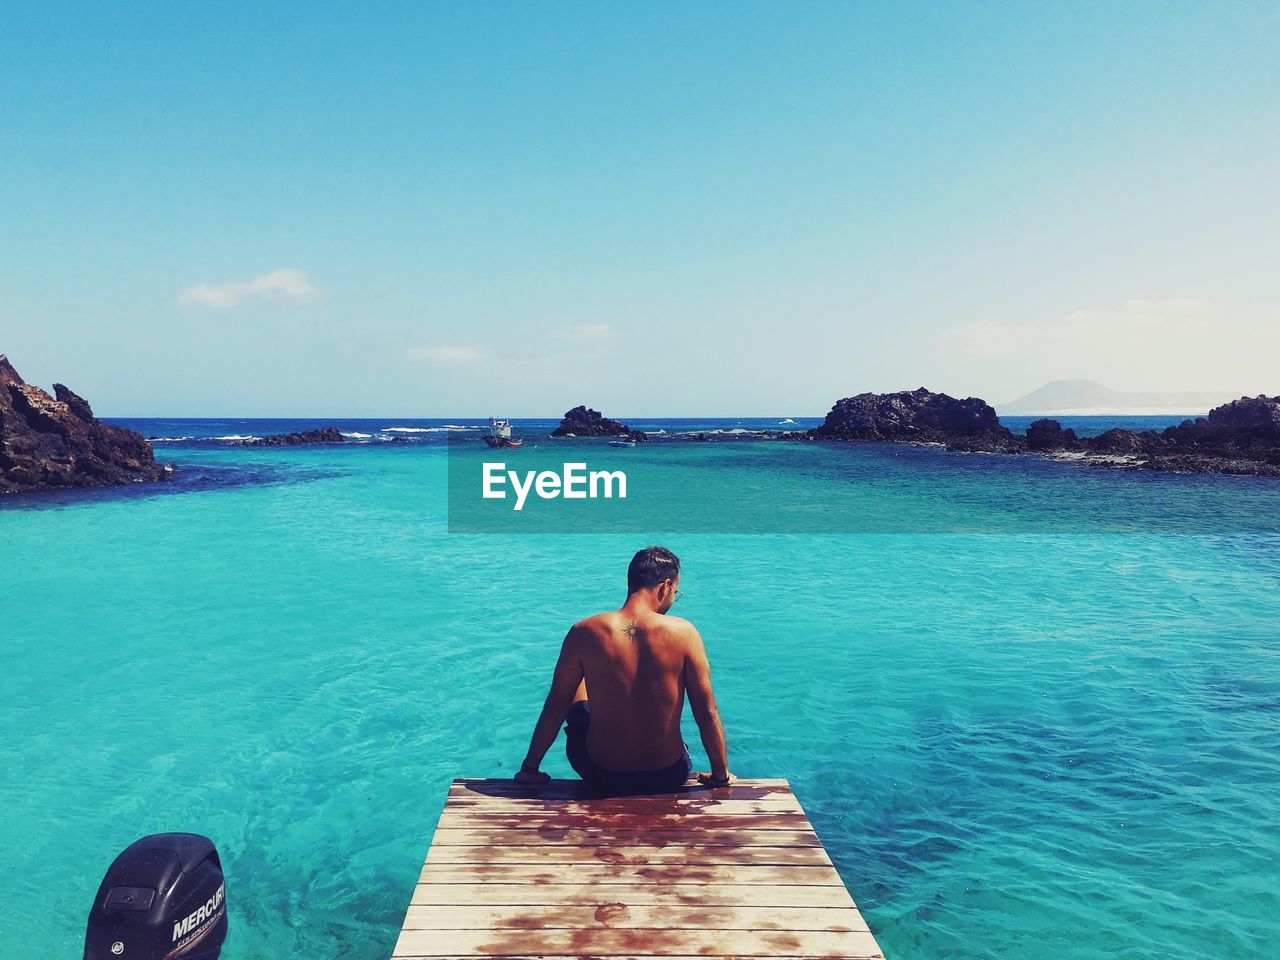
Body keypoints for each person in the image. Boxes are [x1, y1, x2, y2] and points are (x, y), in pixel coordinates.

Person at [515, 545, 733, 793]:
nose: (674, 598)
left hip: (599, 772)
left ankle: (531, 769)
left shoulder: (584, 631)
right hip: (667, 774)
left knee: (574, 683)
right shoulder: (684, 633)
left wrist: (529, 769)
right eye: (676, 591)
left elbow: (555, 706)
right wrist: (720, 776)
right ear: (665, 586)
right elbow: (707, 712)